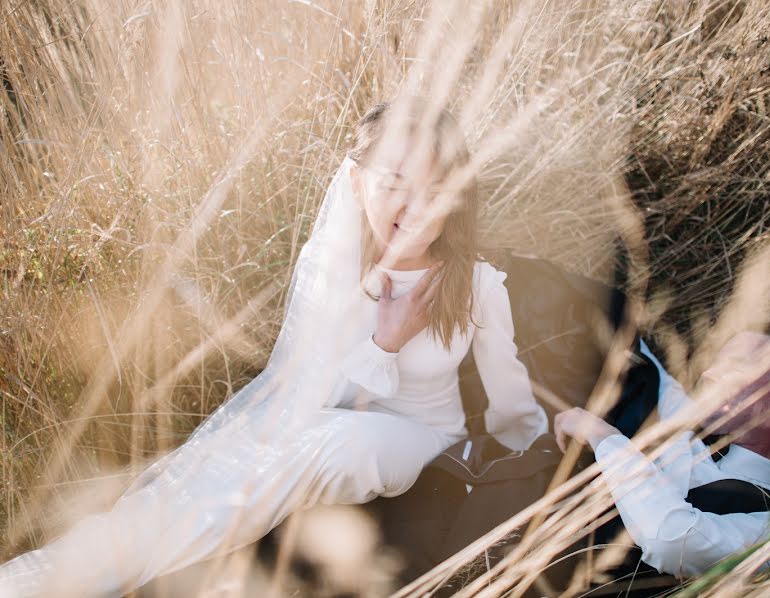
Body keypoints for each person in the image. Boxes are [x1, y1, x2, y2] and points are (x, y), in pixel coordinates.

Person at [0, 99, 548, 597]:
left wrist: (533, 456)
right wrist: (387, 341)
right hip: (321, 428)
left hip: (420, 443)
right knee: (236, 466)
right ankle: (69, 572)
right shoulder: (329, 271)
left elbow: (510, 399)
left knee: (339, 444)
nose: (418, 207)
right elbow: (310, 390)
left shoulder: (474, 284)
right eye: (396, 184)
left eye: (437, 189)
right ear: (357, 184)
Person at [554, 332, 770, 580]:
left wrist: (604, 438)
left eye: (737, 367)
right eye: (716, 362)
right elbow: (627, 337)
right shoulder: (683, 426)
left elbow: (672, 542)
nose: (708, 374)